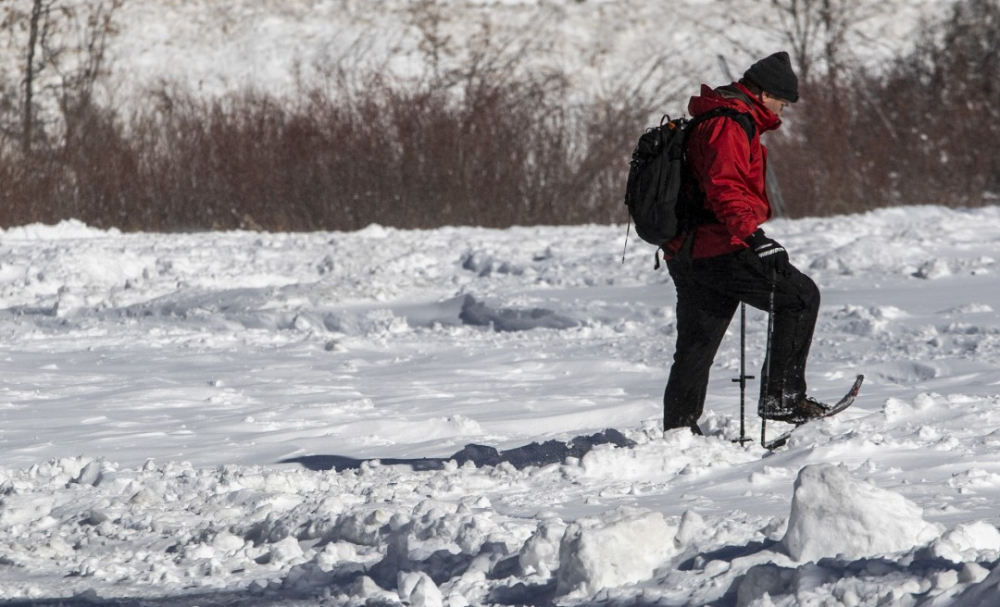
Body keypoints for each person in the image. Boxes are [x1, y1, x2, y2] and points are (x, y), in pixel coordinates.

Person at [661, 51, 825, 435]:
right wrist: (754, 237)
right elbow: (725, 188)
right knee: (800, 298)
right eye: (782, 102)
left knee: (697, 344)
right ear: (765, 93)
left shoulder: (715, 115)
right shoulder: (730, 124)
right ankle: (781, 398)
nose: (782, 111)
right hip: (720, 246)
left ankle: (679, 432)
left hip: (689, 249)